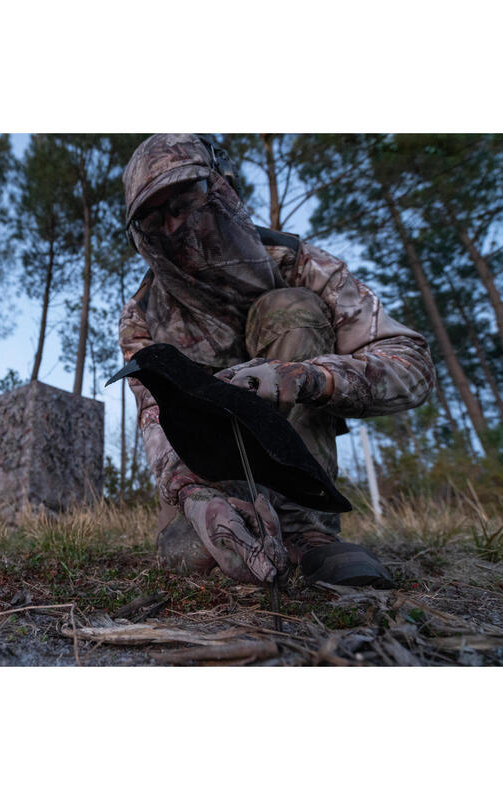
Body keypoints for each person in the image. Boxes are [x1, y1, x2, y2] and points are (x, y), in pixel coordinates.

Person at [119, 134, 435, 587]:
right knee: (190, 559)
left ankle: (308, 535)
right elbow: (155, 418)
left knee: (291, 309)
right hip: (211, 485)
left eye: (184, 201)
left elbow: (411, 365)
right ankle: (234, 529)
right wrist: (194, 497)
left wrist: (311, 377)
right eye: (154, 218)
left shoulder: (300, 264)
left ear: (221, 189)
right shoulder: (143, 315)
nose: (172, 227)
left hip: (295, 477)